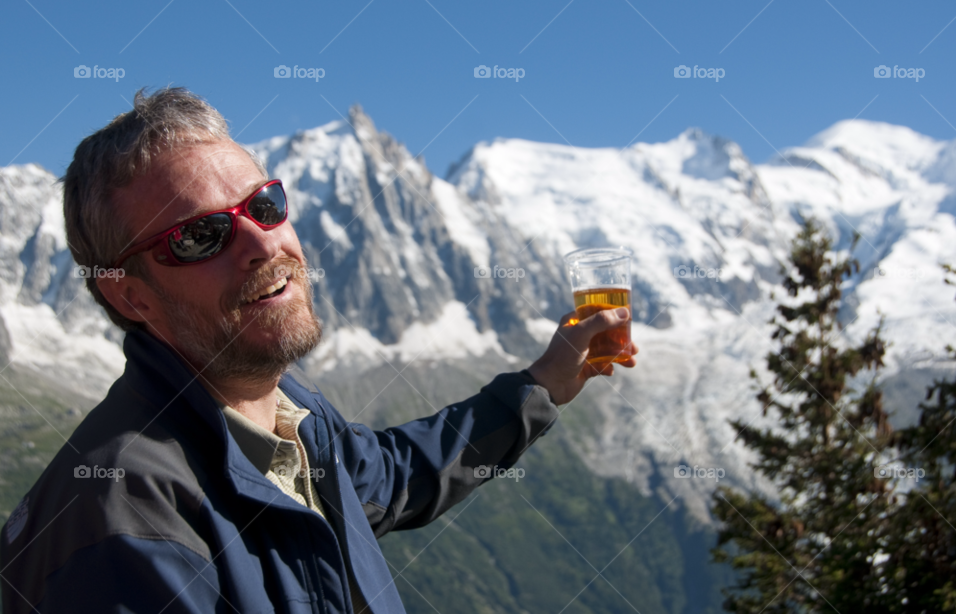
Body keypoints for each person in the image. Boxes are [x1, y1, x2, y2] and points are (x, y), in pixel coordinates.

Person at [0, 88, 637, 614]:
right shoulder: (126, 516)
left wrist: (541, 385)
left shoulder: (288, 416)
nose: (261, 243)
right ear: (132, 297)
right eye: (201, 235)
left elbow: (391, 475)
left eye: (264, 204)